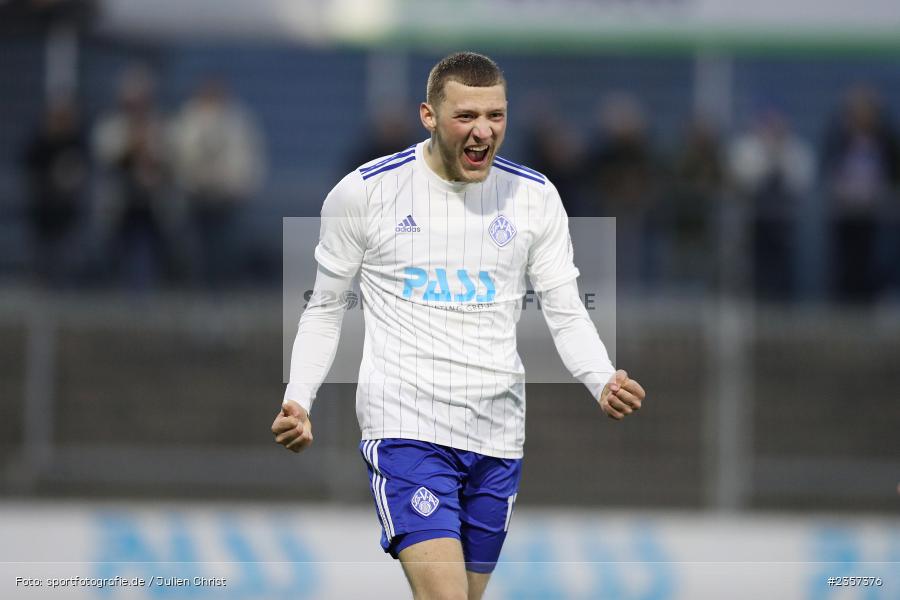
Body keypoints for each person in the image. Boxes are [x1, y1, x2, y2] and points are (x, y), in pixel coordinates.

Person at [272, 52, 646, 600]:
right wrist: (299, 399)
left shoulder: (534, 196)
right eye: (466, 115)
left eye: (496, 116)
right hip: (407, 429)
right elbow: (325, 307)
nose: (483, 131)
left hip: (498, 435)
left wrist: (601, 377)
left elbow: (564, 307)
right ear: (428, 115)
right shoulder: (366, 193)